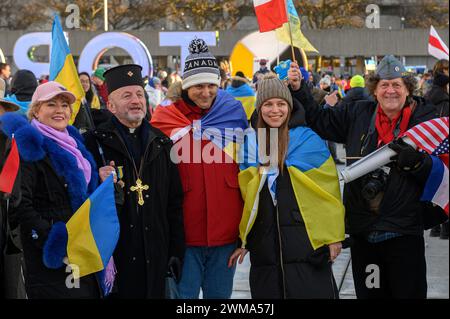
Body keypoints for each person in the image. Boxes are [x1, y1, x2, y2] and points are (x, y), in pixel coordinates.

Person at [288, 55, 444, 298]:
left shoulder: (425, 119)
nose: (390, 91)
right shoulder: (357, 114)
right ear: (374, 90)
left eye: (396, 85)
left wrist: (417, 163)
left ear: (408, 90)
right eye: (384, 85)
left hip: (403, 233)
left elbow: (440, 171)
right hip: (365, 234)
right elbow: (319, 120)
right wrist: (299, 90)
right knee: (371, 295)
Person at [228, 74, 345, 299]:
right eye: (268, 104)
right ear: (259, 108)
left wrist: (333, 236)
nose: (275, 110)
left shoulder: (309, 140)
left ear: (290, 107)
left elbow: (328, 192)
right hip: (265, 252)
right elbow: (245, 198)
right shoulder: (250, 144)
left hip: (307, 247)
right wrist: (242, 239)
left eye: (281, 104)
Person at [151, 38, 248, 299]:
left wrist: (246, 234)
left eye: (211, 85)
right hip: (184, 237)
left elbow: (250, 170)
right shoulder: (165, 118)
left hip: (225, 235)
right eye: (198, 86)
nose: (206, 92)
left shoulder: (233, 113)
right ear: (186, 85)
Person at [83, 64, 185, 298]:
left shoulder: (162, 143)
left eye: (139, 94)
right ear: (110, 105)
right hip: (116, 256)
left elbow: (174, 201)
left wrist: (176, 251)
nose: (136, 101)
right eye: (126, 95)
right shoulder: (94, 143)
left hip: (156, 254)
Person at [0, 81, 101, 298]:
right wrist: (54, 238)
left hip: (81, 248)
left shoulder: (74, 143)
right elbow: (20, 205)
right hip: (50, 253)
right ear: (36, 110)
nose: (60, 110)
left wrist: (100, 178)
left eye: (64, 105)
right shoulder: (30, 145)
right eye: (51, 104)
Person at [424, 59, 449, 240]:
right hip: (443, 144)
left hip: (431, 145)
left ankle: (435, 227)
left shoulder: (428, 94)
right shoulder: (444, 99)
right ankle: (445, 228)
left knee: (437, 183)